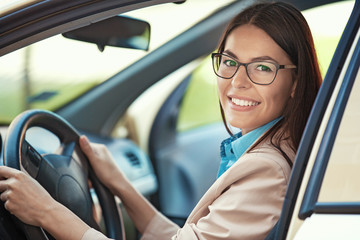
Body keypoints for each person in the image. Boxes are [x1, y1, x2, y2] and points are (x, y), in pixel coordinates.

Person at [0, 2, 321, 240]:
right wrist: (120, 185)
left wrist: (47, 211)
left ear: (295, 82)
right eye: (229, 61)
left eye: (262, 68)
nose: (238, 82)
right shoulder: (273, 149)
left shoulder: (268, 172)